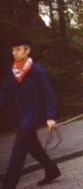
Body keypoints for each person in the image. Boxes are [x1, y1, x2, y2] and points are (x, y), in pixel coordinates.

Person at [0, 38, 61, 189]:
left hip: (31, 116)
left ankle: (8, 185)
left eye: (19, 49)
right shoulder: (12, 70)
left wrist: (51, 116)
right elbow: (5, 93)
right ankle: (51, 169)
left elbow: (49, 94)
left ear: (27, 51)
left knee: (18, 151)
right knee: (32, 146)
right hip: (18, 117)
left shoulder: (37, 70)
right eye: (13, 50)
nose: (15, 53)